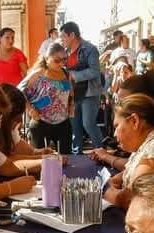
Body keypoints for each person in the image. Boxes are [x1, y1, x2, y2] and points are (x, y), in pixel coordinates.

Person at [19, 43, 74, 155]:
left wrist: (71, 104)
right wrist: (30, 109)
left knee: (66, 158)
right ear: (47, 59)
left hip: (63, 123)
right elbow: (18, 91)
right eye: (57, 60)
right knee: (40, 161)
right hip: (42, 123)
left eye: (64, 59)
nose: (62, 63)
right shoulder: (39, 74)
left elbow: (71, 91)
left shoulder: (65, 73)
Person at [60, 21, 104, 155]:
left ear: (72, 35)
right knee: (75, 127)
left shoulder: (90, 49)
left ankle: (101, 152)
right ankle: (76, 157)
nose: (62, 40)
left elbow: (95, 71)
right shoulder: (65, 52)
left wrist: (74, 75)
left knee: (88, 124)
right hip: (73, 94)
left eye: (64, 37)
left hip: (90, 93)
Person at [0, 83, 59, 173]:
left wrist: (38, 153)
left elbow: (18, 145)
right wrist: (44, 159)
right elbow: (7, 162)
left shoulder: (8, 126)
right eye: (16, 117)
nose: (20, 121)